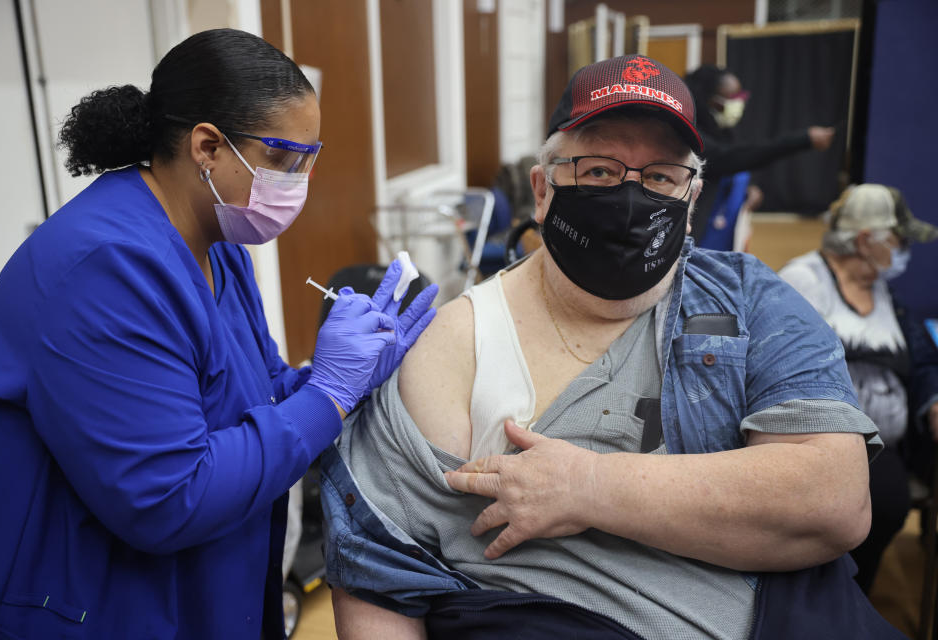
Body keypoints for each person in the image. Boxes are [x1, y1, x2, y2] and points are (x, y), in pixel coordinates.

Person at [320, 55, 903, 639]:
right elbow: (377, 573)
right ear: (543, 190)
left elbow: (834, 500)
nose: (631, 198)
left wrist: (589, 488)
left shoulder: (751, 302)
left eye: (660, 177)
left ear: (692, 195)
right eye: (599, 170)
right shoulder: (458, 350)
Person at [0, 29, 437, 640]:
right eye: (283, 159)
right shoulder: (105, 270)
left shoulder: (217, 246)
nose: (298, 183)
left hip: (208, 589)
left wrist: (345, 378)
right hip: (94, 605)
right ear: (207, 148)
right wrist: (326, 395)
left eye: (309, 160)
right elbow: (169, 498)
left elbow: (258, 393)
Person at [779, 183, 938, 593]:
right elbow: (780, 365)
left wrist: (934, 401)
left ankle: (850, 594)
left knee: (886, 497)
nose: (905, 249)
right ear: (868, 240)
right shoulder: (804, 280)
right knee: (881, 499)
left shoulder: (885, 293)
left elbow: (920, 361)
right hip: (822, 439)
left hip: (885, 444)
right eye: (900, 239)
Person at [684, 64, 835, 248]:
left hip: (724, 234)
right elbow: (728, 159)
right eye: (732, 98)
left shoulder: (722, 131)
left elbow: (730, 169)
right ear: (710, 100)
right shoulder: (691, 134)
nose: (739, 103)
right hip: (700, 236)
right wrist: (803, 140)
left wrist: (748, 189)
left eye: (740, 97)